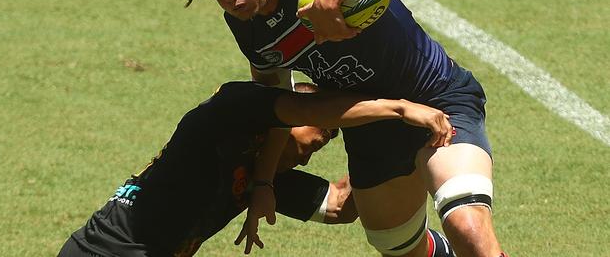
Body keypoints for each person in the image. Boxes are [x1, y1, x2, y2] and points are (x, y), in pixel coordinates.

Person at [135, 0, 507, 257]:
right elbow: (277, 109)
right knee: (398, 246)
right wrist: (263, 181)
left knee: (468, 230)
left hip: (435, 95)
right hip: (371, 129)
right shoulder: (246, 27)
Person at [57, 81, 455, 257]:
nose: (319, 144)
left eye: (331, 137)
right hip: (101, 251)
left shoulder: (262, 180)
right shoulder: (220, 125)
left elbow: (341, 207)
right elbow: (291, 107)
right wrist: (397, 106)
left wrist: (397, 145)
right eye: (322, 129)